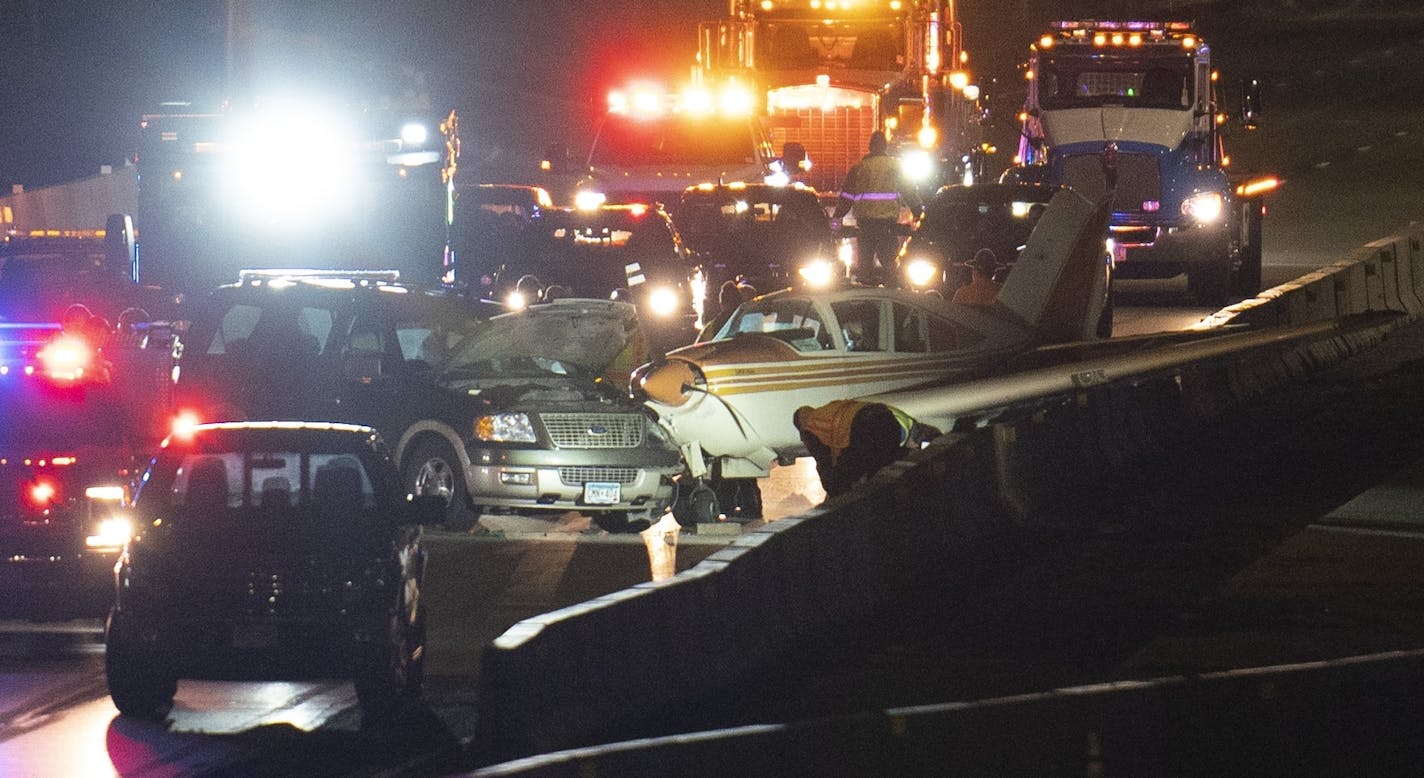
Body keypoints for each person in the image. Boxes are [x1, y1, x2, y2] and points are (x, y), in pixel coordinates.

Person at [793, 399, 940, 498]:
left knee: (862, 479)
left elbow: (824, 463)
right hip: (887, 420)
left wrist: (833, 496)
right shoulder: (831, 408)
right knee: (883, 462)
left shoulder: (809, 427)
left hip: (866, 429)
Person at [832, 131, 923, 284]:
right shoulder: (896, 166)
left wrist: (836, 219)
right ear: (885, 146)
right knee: (889, 266)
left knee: (865, 267)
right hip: (887, 227)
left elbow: (846, 198)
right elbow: (910, 192)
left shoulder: (859, 168)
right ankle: (892, 295)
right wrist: (919, 214)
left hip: (866, 227)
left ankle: (865, 296)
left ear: (870, 146)